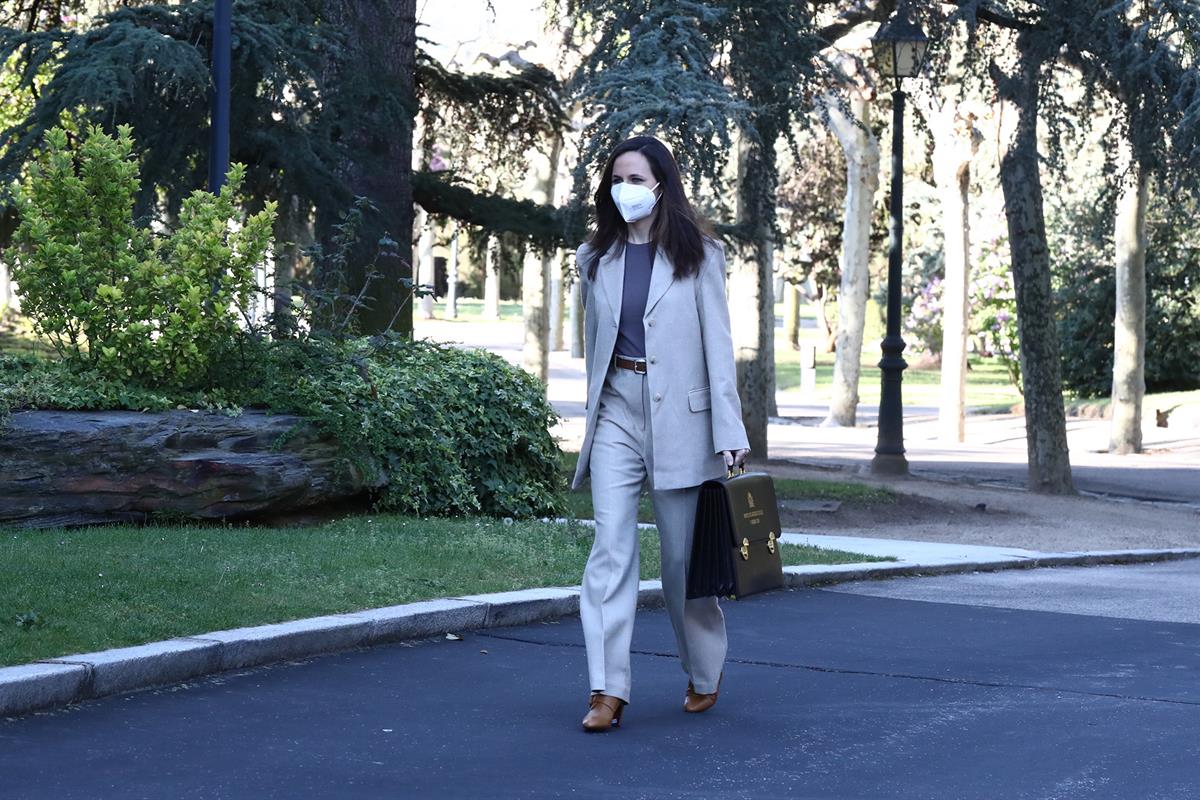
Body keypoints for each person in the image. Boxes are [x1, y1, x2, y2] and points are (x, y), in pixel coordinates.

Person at [571, 135, 750, 732]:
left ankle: (703, 670)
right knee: (611, 550)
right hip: (618, 409)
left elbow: (718, 349)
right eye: (616, 178)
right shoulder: (593, 259)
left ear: (661, 186)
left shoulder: (700, 255)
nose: (625, 189)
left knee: (681, 564)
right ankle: (607, 690)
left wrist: (730, 430)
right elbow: (591, 344)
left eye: (637, 179)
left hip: (683, 420)